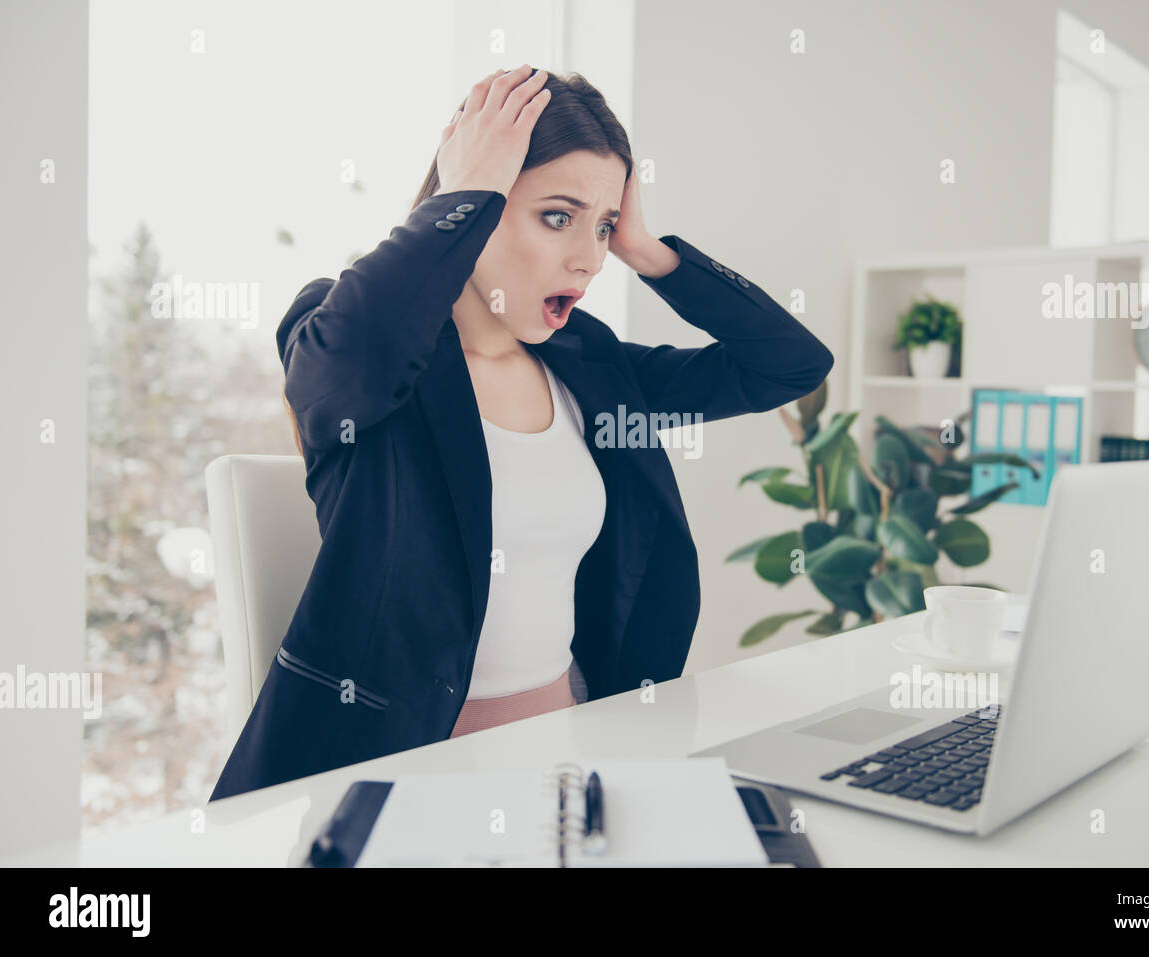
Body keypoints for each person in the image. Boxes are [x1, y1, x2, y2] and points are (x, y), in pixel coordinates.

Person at [209, 65, 834, 801]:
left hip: (577, 761)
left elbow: (789, 366)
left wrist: (649, 251)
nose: (589, 257)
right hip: (400, 778)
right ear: (474, 204)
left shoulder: (588, 365)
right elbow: (354, 359)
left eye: (602, 227)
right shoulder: (351, 349)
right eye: (558, 216)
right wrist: (458, 192)